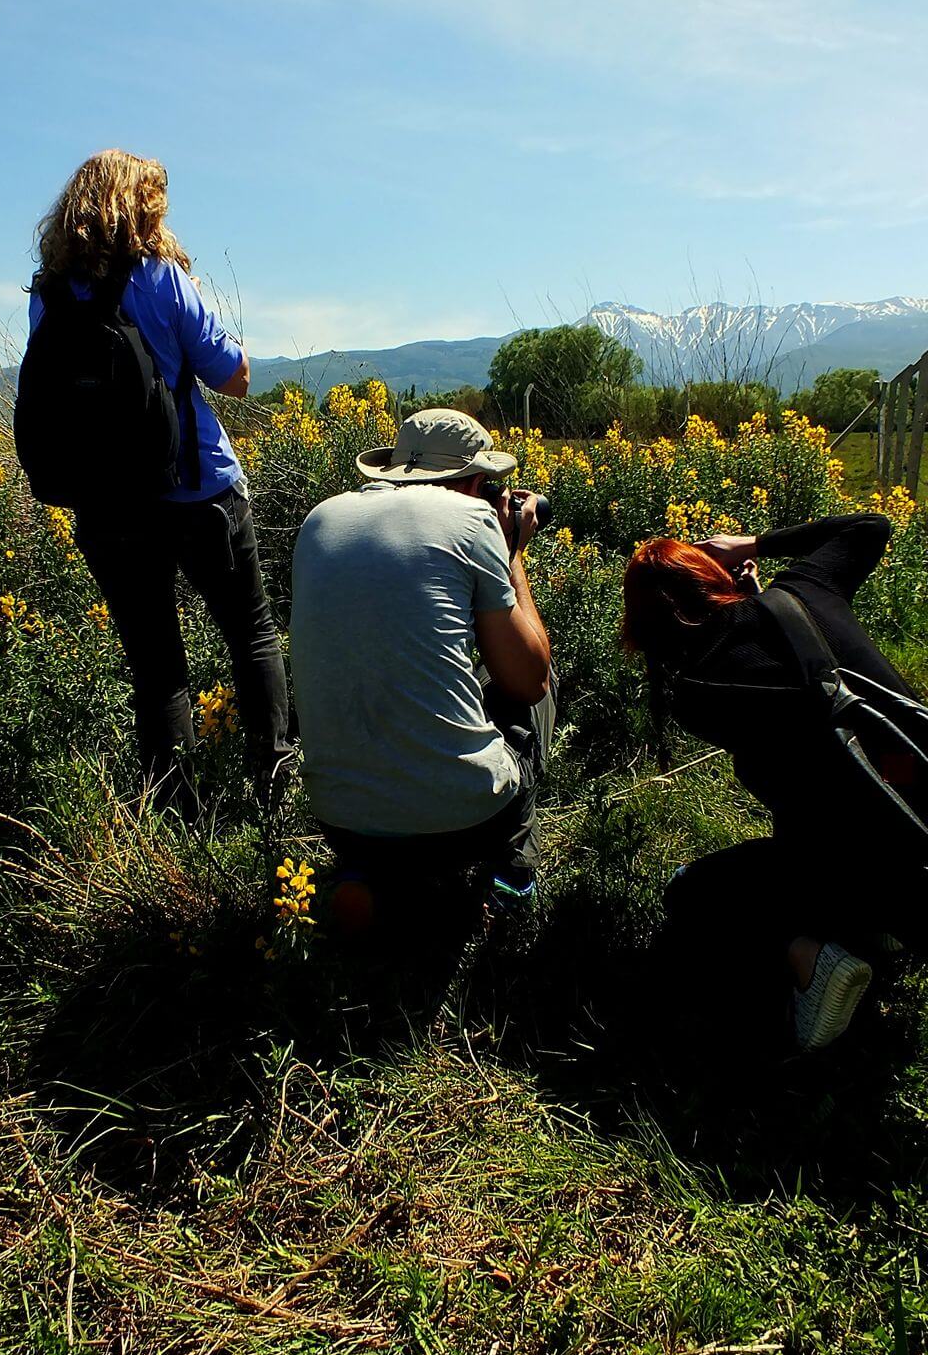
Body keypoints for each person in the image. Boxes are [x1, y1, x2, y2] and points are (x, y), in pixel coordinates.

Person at [27, 150, 290, 812]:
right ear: (138, 210)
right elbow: (236, 375)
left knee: (156, 669)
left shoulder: (49, 294)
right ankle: (275, 787)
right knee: (252, 635)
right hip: (200, 493)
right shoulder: (162, 278)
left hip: (107, 507)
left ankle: (173, 819)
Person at [622, 513, 925, 1050]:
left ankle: (811, 960)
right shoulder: (808, 590)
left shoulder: (698, 696)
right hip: (924, 813)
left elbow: (761, 674)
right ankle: (872, 925)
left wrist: (743, 607)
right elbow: (871, 527)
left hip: (877, 873)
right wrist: (754, 545)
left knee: (693, 890)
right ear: (717, 574)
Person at [289, 408, 554, 965]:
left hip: (339, 819)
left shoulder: (319, 521)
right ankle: (510, 875)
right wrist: (513, 556)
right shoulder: (470, 519)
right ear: (478, 482)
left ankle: (372, 878)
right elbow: (527, 680)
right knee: (539, 691)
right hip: (464, 824)